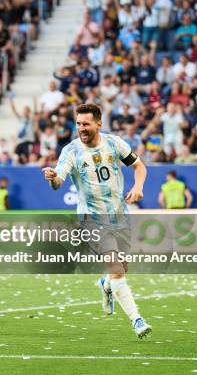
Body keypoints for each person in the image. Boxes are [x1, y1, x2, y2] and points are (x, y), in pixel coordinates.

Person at [42, 103, 152, 339]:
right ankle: (137, 320)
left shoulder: (115, 143)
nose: (81, 128)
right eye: (78, 123)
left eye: (86, 124)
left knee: (121, 269)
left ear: (98, 124)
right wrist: (52, 178)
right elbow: (58, 182)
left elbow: (139, 166)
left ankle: (105, 285)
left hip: (119, 215)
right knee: (116, 269)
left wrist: (139, 186)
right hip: (91, 219)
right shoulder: (71, 151)